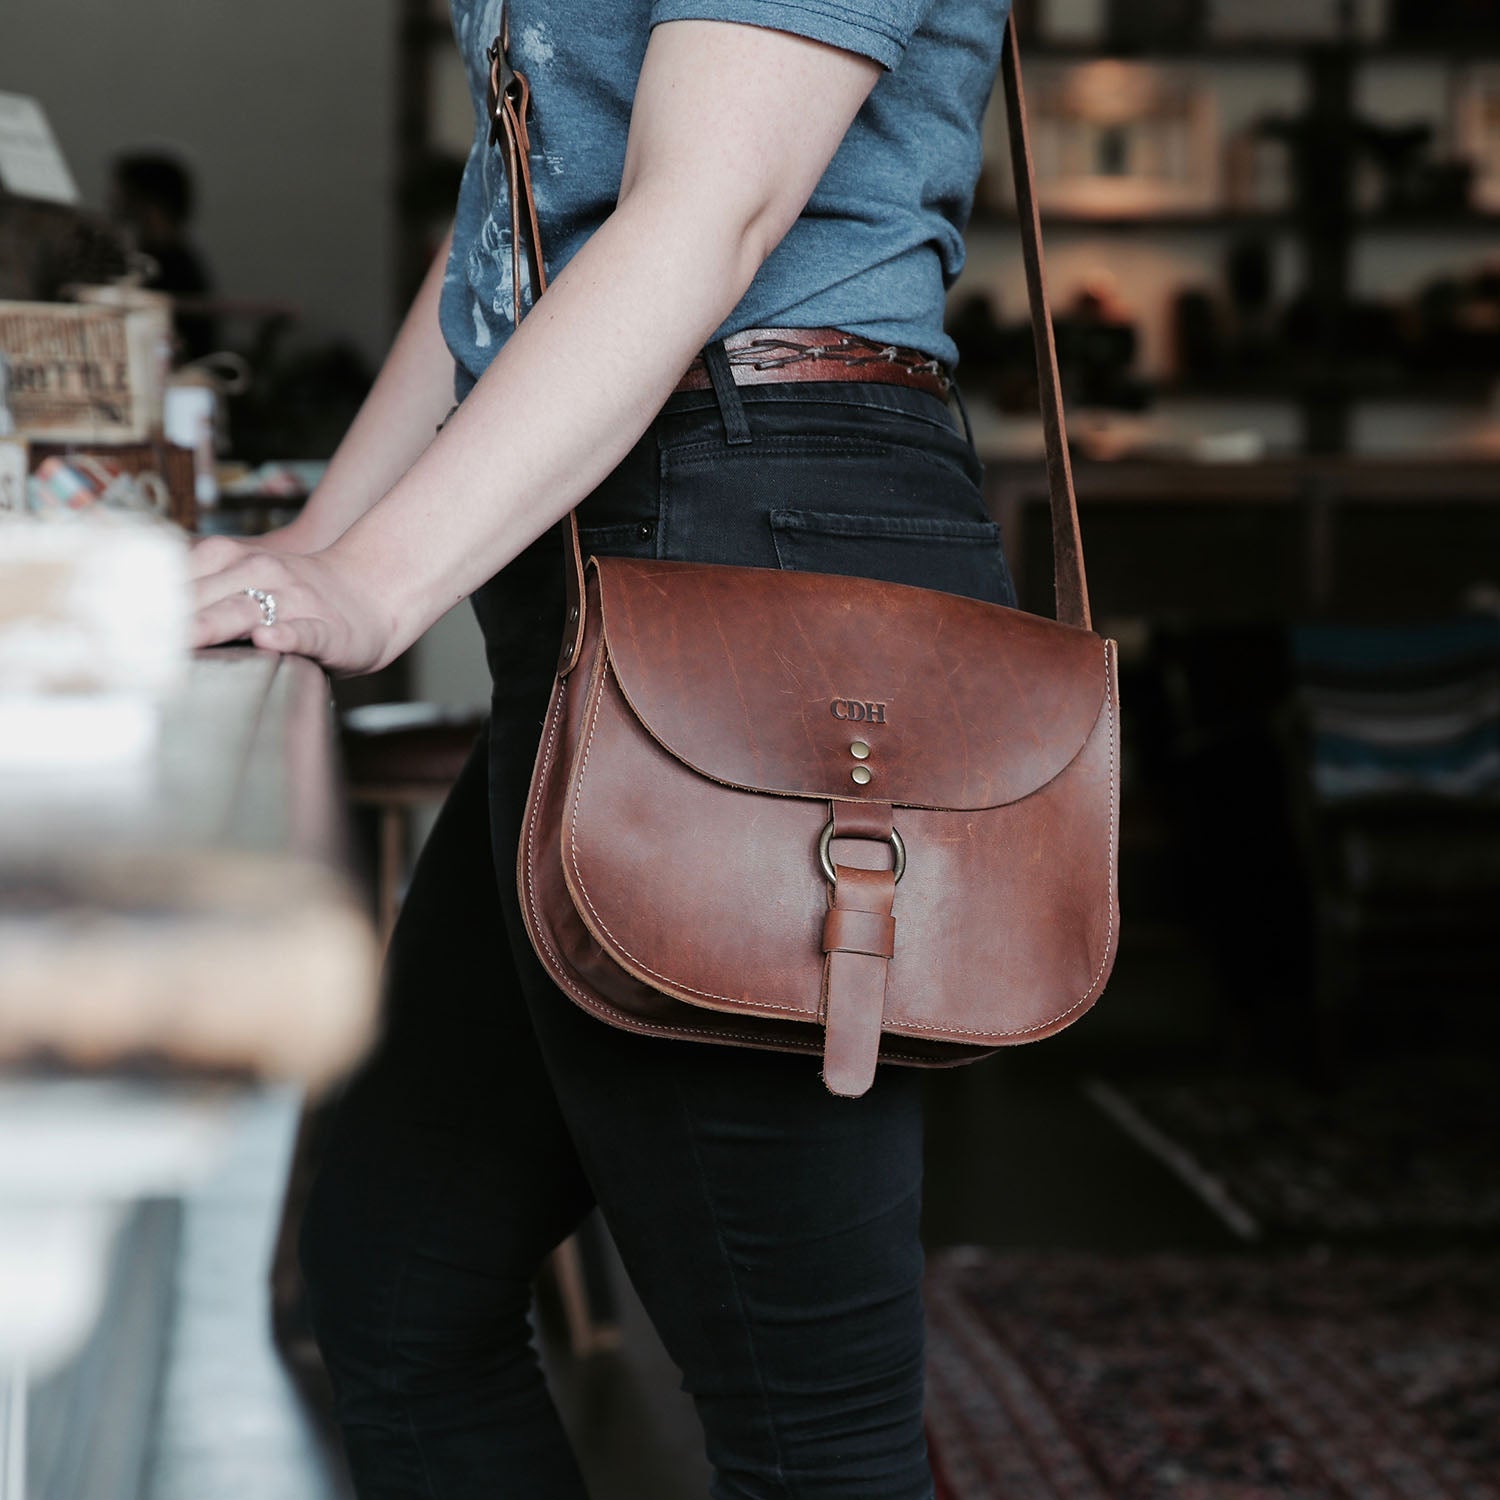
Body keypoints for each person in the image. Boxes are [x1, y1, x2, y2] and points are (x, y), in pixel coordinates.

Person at [191, 1, 1014, 1494]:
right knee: (399, 1285)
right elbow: (503, 249)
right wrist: (319, 541)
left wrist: (372, 584)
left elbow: (713, 206)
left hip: (752, 563)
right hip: (613, 550)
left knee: (806, 1422)